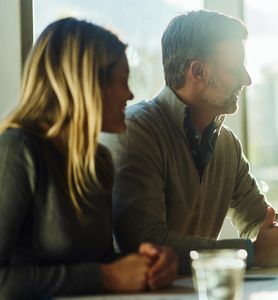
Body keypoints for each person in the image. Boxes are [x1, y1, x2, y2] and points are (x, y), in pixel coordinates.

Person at [100, 10, 278, 274]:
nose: (246, 79)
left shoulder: (226, 145)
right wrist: (251, 252)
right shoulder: (135, 131)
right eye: (235, 69)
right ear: (198, 72)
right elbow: (143, 243)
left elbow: (260, 220)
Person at [0, 18, 178, 298]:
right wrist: (106, 276)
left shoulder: (99, 161)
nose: (130, 95)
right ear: (88, 85)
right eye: (123, 81)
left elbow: (97, 263)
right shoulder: (18, 151)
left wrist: (149, 266)